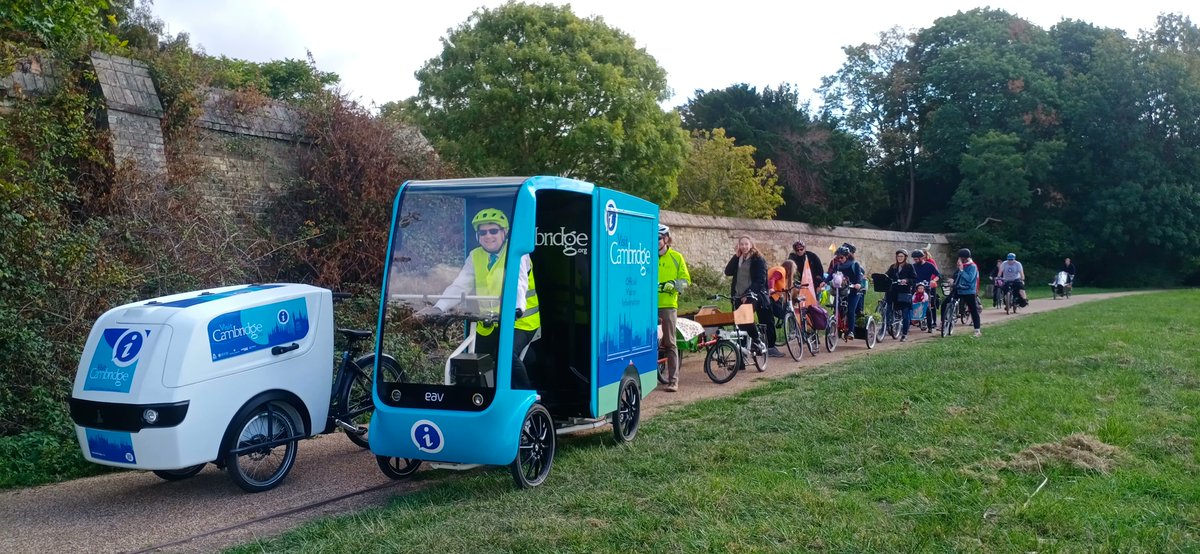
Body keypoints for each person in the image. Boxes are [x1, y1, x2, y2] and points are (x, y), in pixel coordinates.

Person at [418, 208, 540, 389]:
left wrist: (515, 309)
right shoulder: (475, 256)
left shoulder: (517, 253)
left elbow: (519, 284)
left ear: (504, 232)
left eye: (493, 231)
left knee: (504, 354)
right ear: (477, 235)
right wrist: (439, 307)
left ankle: (527, 398)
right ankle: (479, 401)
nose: (488, 236)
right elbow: (459, 286)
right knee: (472, 360)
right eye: (483, 232)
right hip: (488, 323)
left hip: (520, 323)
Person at [724, 235, 782, 358]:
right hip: (738, 295)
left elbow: (760, 280)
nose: (744, 247)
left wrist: (748, 293)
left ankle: (757, 340)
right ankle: (742, 357)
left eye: (746, 244)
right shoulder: (738, 259)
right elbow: (727, 271)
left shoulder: (757, 259)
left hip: (754, 294)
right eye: (741, 244)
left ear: (751, 245)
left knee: (746, 318)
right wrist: (736, 256)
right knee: (740, 325)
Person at [657, 224, 691, 392]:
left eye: (659, 238)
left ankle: (673, 380)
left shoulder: (676, 257)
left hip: (668, 306)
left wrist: (673, 284)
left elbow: (686, 281)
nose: (656, 241)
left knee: (670, 343)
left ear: (666, 239)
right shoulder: (646, 255)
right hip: (647, 306)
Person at [829, 246, 865, 340]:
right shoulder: (837, 266)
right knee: (837, 308)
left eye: (841, 257)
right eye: (838, 258)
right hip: (841, 291)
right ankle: (838, 327)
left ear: (847, 256)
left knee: (850, 310)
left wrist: (858, 284)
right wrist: (823, 282)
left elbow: (858, 277)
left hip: (853, 291)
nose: (839, 259)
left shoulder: (854, 265)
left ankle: (851, 331)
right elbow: (830, 276)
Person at [949, 248, 982, 337]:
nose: (960, 260)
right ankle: (945, 321)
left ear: (965, 258)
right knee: (947, 302)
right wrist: (952, 279)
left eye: (961, 258)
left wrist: (962, 270)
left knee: (973, 309)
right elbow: (956, 275)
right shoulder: (961, 265)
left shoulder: (972, 266)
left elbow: (969, 279)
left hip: (968, 291)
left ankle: (977, 330)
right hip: (959, 289)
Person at [885, 249, 917, 341]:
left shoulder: (909, 267)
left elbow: (914, 279)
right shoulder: (893, 267)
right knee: (888, 308)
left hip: (904, 292)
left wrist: (906, 280)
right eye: (898, 256)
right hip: (893, 291)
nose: (900, 258)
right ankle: (887, 325)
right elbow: (887, 276)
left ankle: (904, 333)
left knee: (905, 313)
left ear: (905, 257)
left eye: (901, 256)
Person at [910, 250, 941, 333]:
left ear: (922, 258)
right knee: (911, 304)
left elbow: (938, 275)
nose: (915, 261)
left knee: (927, 307)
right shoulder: (913, 266)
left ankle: (930, 326)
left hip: (926, 289)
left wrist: (934, 280)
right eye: (914, 259)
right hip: (915, 289)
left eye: (916, 259)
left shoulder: (929, 266)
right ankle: (911, 321)